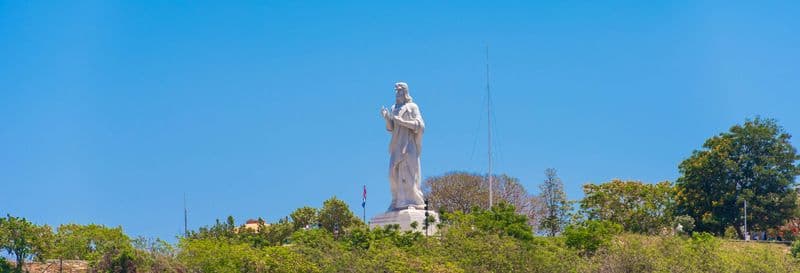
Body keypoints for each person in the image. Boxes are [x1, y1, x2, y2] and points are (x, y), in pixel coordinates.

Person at [380, 82, 426, 211]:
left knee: (410, 173)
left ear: (405, 92)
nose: (397, 94)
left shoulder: (412, 106)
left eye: (400, 91)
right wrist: (387, 118)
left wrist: (403, 122)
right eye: (396, 91)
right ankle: (396, 201)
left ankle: (413, 201)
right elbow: (391, 128)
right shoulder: (394, 107)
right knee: (393, 174)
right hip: (397, 145)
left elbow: (420, 125)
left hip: (409, 144)